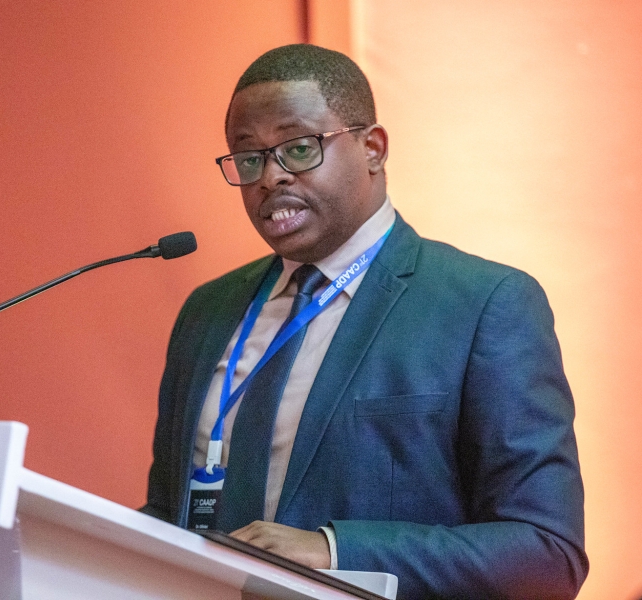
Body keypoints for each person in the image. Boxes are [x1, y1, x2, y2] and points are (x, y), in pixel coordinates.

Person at [141, 43, 588, 600]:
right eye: (249, 157)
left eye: (298, 149)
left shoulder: (485, 305)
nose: (270, 177)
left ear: (372, 148)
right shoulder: (208, 311)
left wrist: (334, 551)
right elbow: (169, 513)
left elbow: (547, 553)